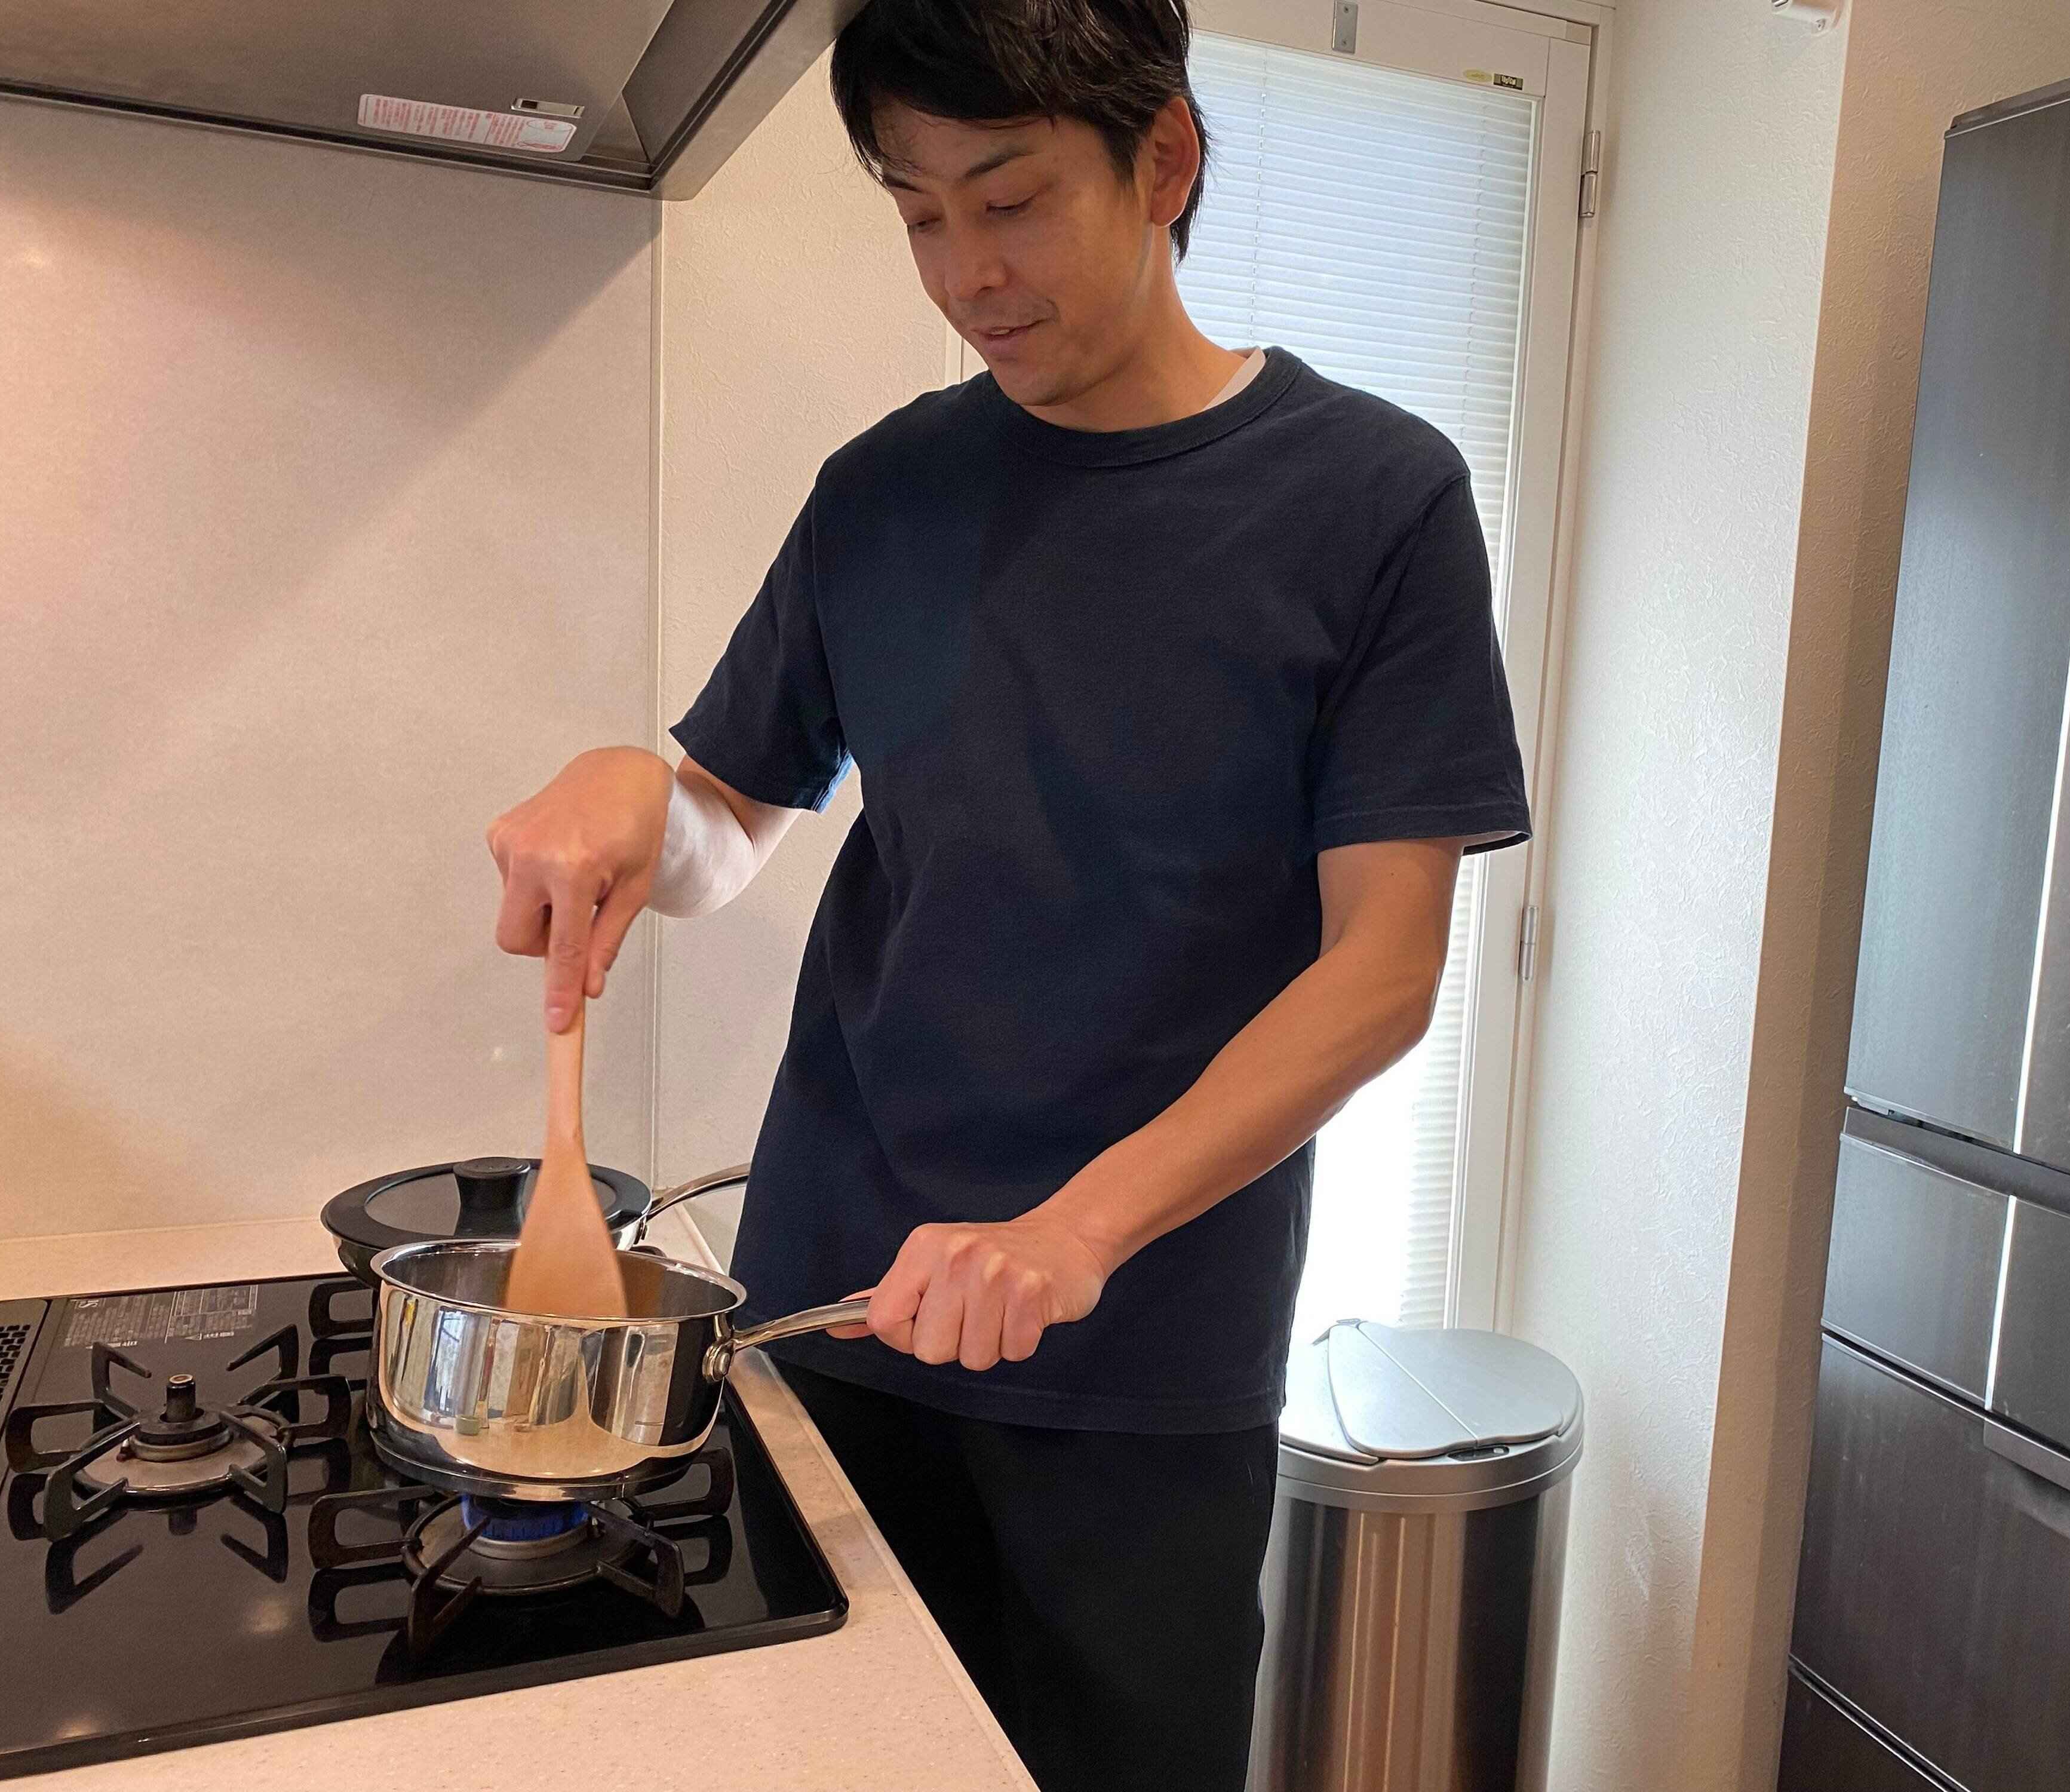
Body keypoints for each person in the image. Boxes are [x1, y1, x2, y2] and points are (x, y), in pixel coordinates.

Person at [485, 1, 1530, 1784]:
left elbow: (1383, 971)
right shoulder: (884, 492)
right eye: (919, 214)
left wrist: (1074, 1234)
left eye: (1012, 199)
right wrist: (633, 796)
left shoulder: (1375, 498)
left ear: (1164, 161)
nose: (966, 271)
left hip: (1141, 1360)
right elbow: (734, 819)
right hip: (835, 1315)